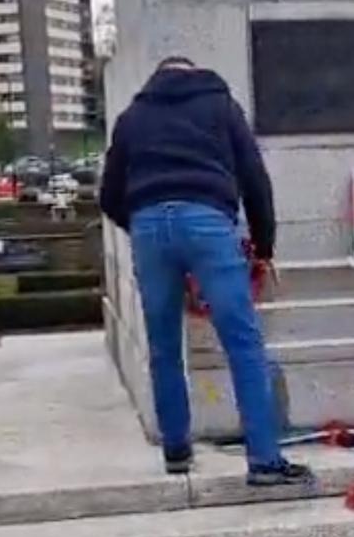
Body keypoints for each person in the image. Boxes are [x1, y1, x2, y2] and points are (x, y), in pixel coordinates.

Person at [99, 56, 312, 484]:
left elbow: (108, 195)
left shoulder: (131, 118)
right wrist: (264, 247)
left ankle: (177, 450)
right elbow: (255, 178)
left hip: (149, 227)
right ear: (194, 73)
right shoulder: (221, 106)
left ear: (157, 77)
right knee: (242, 342)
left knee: (162, 345)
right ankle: (264, 461)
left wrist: (141, 223)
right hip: (207, 222)